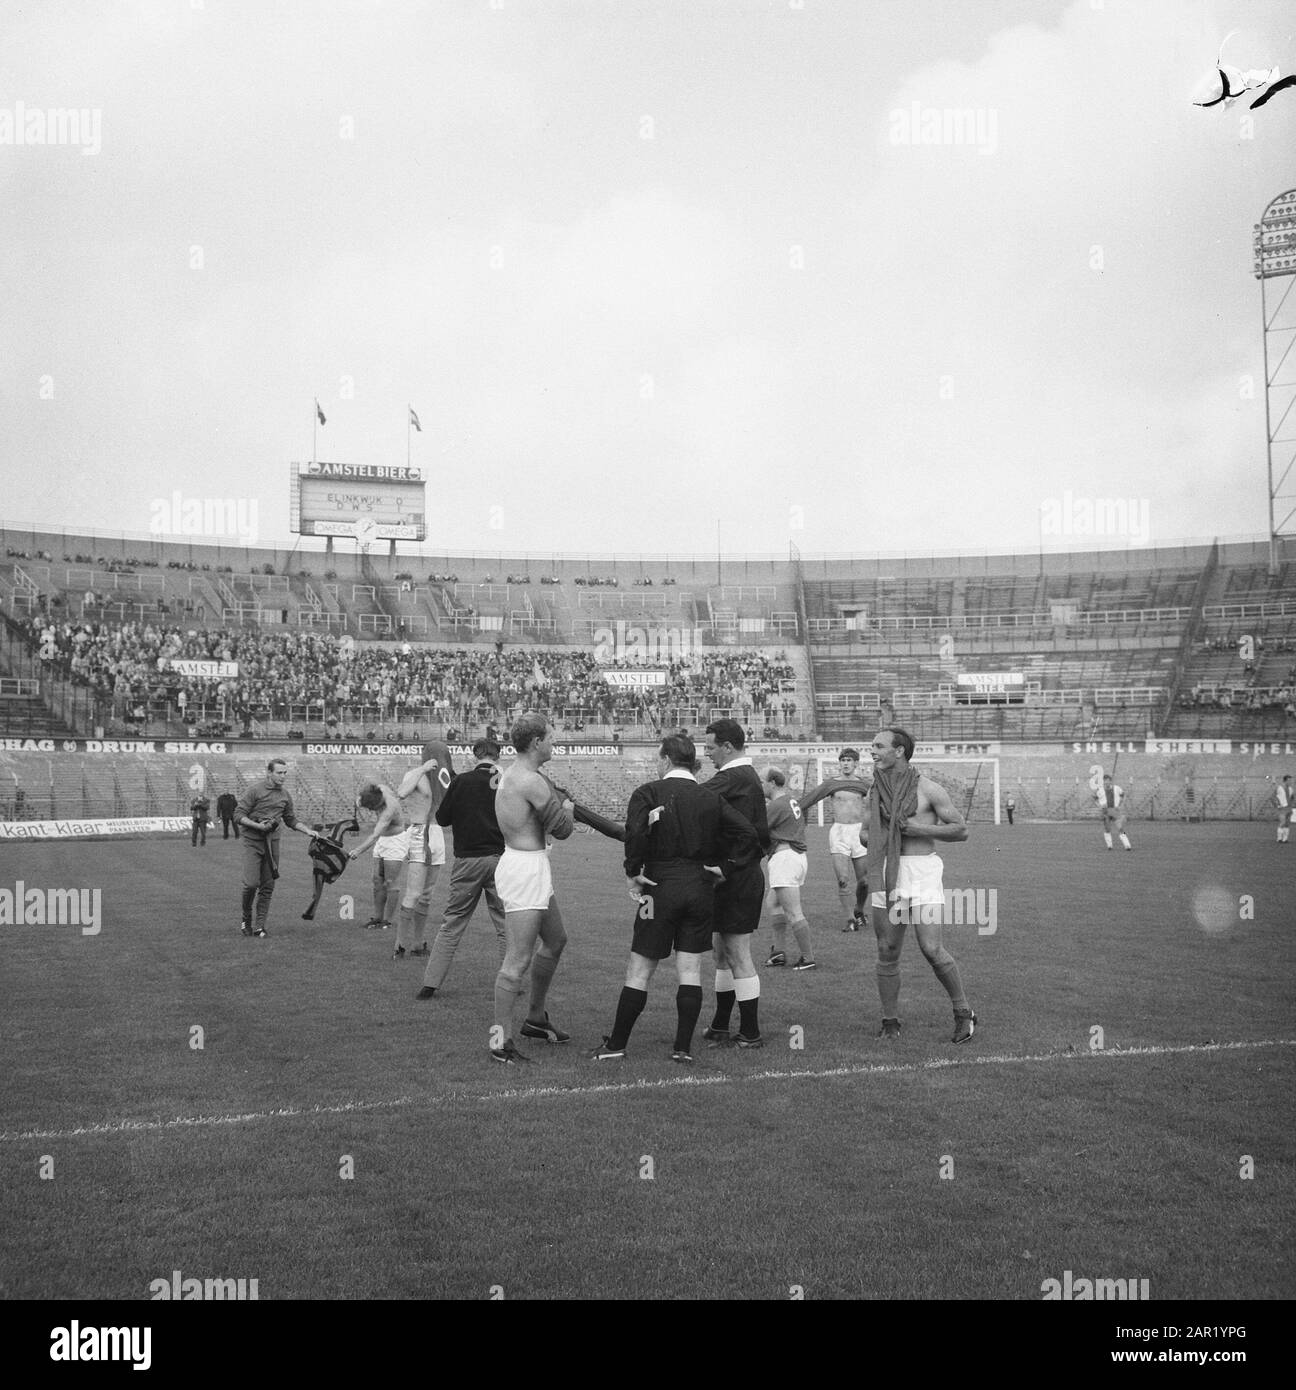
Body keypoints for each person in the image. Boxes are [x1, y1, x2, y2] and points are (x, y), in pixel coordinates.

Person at [594, 733, 760, 1063]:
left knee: (639, 968)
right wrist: (725, 867)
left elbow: (635, 833)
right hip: (700, 889)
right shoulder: (709, 796)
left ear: (667, 759)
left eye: (658, 758)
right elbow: (750, 834)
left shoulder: (648, 792)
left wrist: (633, 870)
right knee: (690, 969)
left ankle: (616, 1045)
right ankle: (682, 1048)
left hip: (659, 887)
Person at [866, 727, 975, 1043]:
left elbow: (961, 830)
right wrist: (885, 837)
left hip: (923, 872)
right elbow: (864, 833)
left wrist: (913, 829)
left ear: (899, 751)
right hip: (889, 872)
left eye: (878, 746)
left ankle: (963, 1013)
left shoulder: (929, 789)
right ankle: (889, 1022)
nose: (871, 751)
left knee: (931, 948)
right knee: (887, 949)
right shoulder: (875, 793)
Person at [490, 714, 576, 1064]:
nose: (554, 744)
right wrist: (568, 807)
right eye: (551, 738)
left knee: (556, 940)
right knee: (517, 960)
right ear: (536, 742)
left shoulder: (519, 775)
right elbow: (564, 829)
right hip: (524, 869)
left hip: (530, 865)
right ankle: (499, 1041)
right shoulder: (531, 782)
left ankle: (536, 1019)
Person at [416, 736, 510, 1000]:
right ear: (498, 757)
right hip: (500, 859)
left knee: (453, 923)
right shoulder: (505, 781)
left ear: (474, 756)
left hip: (467, 861)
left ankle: (430, 984)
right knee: (505, 924)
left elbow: (443, 818)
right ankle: (509, 981)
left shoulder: (461, 781)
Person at [700, 718, 771, 1048]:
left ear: (728, 747)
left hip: (737, 878)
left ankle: (751, 1032)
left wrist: (727, 867)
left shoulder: (734, 777)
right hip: (733, 876)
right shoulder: (742, 777)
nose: (706, 752)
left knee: (738, 953)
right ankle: (720, 1024)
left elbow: (691, 799)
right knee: (722, 953)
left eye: (710, 746)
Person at [234, 759, 321, 938]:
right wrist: (258, 826)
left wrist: (307, 831)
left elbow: (290, 819)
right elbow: (238, 814)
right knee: (251, 884)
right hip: (253, 841)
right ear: (269, 773)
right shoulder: (254, 790)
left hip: (272, 843)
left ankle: (259, 926)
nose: (283, 776)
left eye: (285, 773)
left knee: (268, 885)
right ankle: (246, 917)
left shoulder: (285, 795)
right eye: (279, 773)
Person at [795, 748, 871, 930]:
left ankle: (859, 910)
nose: (845, 763)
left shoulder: (865, 785)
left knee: (865, 881)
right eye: (843, 760)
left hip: (859, 833)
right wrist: (794, 814)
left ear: (856, 764)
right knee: (843, 879)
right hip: (839, 833)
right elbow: (807, 801)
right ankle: (850, 920)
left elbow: (878, 805)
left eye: (849, 760)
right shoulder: (831, 784)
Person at [761, 768, 816, 970]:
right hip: (796, 857)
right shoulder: (791, 801)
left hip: (785, 858)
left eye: (762, 782)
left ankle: (808, 958)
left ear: (772, 783)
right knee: (773, 902)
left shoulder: (776, 805)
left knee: (793, 912)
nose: (761, 786)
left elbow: (758, 830)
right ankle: (778, 953)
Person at [1098, 774, 1132, 851]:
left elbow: (1123, 796)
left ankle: (1127, 845)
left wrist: (1120, 805)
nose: (1106, 783)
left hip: (1115, 811)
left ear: (1110, 781)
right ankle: (1109, 846)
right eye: (1104, 782)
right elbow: (1094, 798)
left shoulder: (1117, 788)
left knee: (1120, 828)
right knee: (1107, 829)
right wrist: (1100, 806)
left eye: (1107, 781)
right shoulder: (1100, 790)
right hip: (1105, 811)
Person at [1275, 775, 1293, 844]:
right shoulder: (1279, 788)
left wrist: (1291, 804)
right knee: (1282, 822)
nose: (1290, 782)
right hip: (1282, 808)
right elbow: (1274, 797)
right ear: (1285, 780)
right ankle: (1279, 838)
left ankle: (1285, 839)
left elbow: (1292, 797)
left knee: (1287, 824)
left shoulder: (1291, 789)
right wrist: (1278, 805)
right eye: (1289, 780)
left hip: (1289, 808)